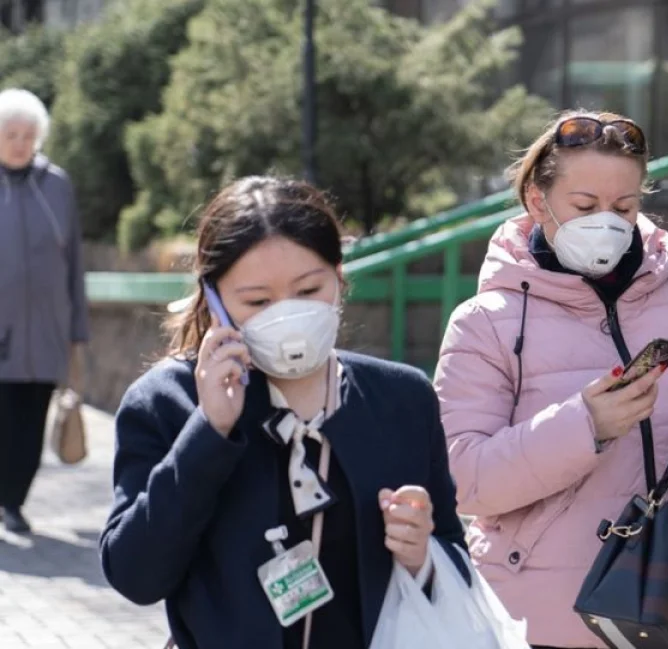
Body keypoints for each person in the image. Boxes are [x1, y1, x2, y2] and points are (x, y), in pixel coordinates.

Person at [434, 111, 668, 649]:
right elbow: (462, 479)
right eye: (585, 206)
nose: (608, 222)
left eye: (624, 207)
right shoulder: (484, 321)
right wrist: (584, 427)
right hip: (545, 622)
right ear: (537, 200)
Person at [99, 177, 469, 649]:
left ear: (338, 275)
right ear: (213, 300)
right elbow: (136, 576)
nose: (288, 315)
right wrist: (209, 432)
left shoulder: (401, 398)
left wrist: (423, 557)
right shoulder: (167, 400)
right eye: (257, 301)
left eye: (309, 289)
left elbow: (456, 556)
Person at [0, 87, 88, 534]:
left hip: (47, 334)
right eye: (10, 134)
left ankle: (13, 501)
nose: (19, 142)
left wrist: (77, 327)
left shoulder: (56, 185)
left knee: (30, 423)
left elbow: (73, 260)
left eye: (27, 135)